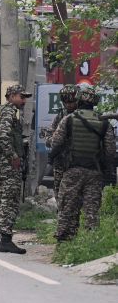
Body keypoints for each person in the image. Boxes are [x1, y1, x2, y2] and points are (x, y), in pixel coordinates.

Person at [49, 86, 115, 242]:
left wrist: (51, 158)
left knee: (67, 206)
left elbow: (56, 143)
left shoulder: (69, 119)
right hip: (94, 172)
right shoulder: (104, 123)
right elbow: (110, 151)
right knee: (92, 209)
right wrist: (107, 170)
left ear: (79, 100)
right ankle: (92, 241)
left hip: (72, 170)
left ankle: (64, 240)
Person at [0, 84, 30, 254]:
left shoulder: (1, 110)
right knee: (9, 200)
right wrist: (13, 156)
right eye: (21, 96)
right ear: (11, 96)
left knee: (0, 199)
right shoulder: (9, 111)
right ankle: (6, 239)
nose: (24, 100)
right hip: (9, 163)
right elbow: (3, 135)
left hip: (2, 162)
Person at [44, 84, 80, 200]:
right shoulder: (60, 115)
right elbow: (49, 135)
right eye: (66, 101)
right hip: (60, 161)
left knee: (76, 194)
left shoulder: (82, 115)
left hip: (78, 162)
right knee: (59, 192)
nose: (69, 104)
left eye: (71, 101)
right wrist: (55, 140)